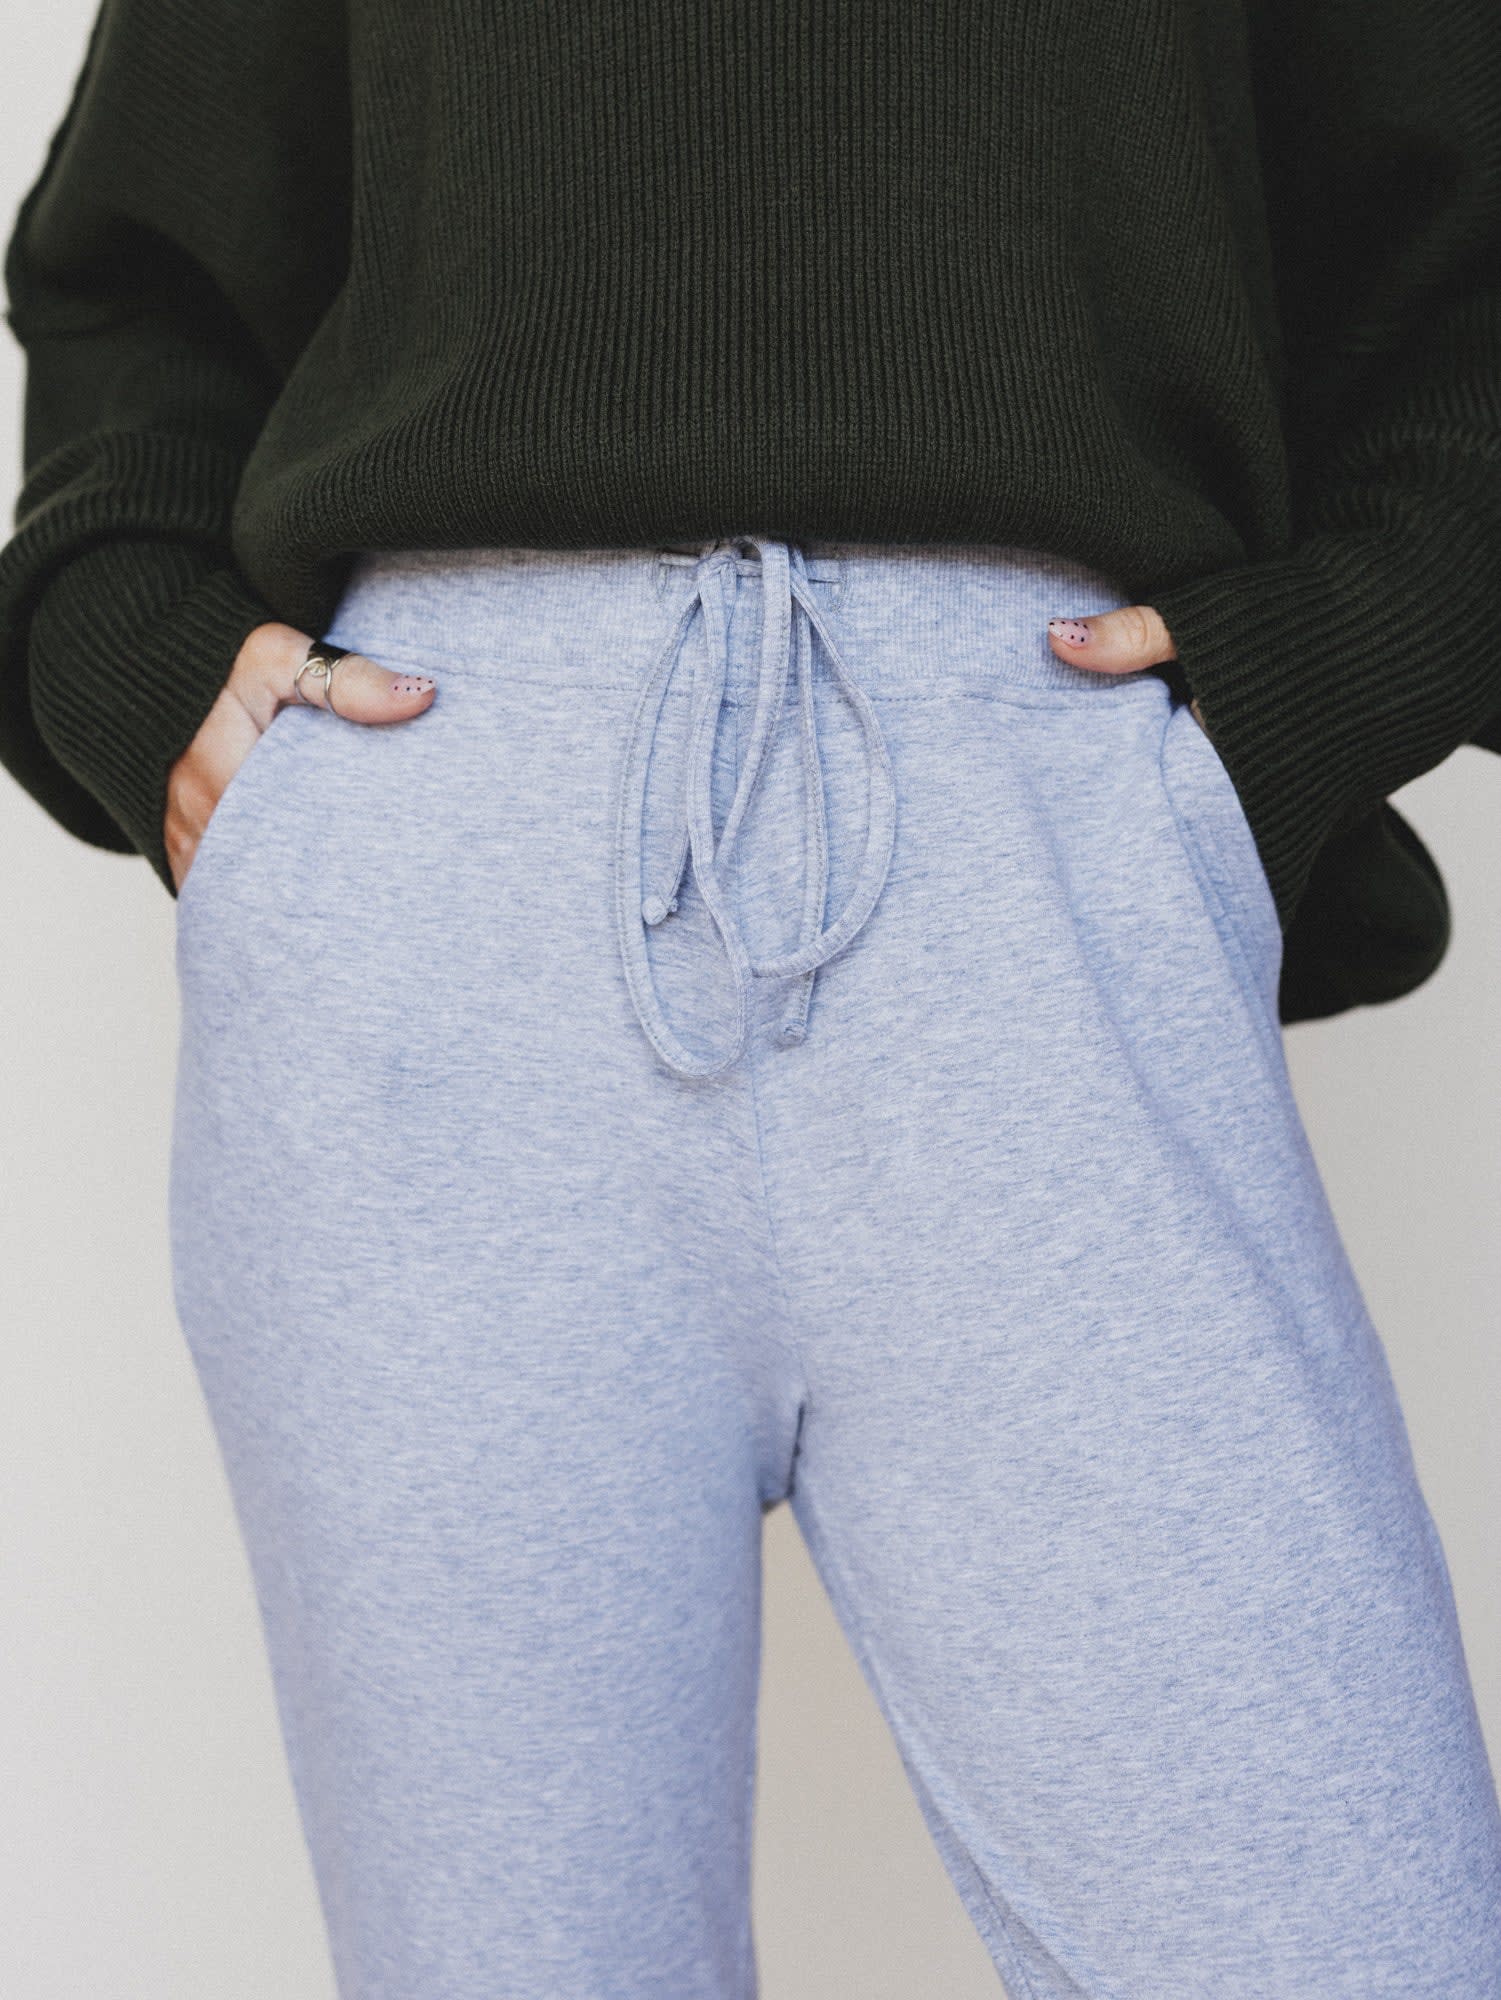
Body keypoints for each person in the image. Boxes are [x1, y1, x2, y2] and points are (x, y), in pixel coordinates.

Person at [2, 2, 1499, 1994]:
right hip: (440, 895)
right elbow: (144, 271)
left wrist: (1315, 676)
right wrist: (145, 663)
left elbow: (1461, 257)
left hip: (1039, 852)